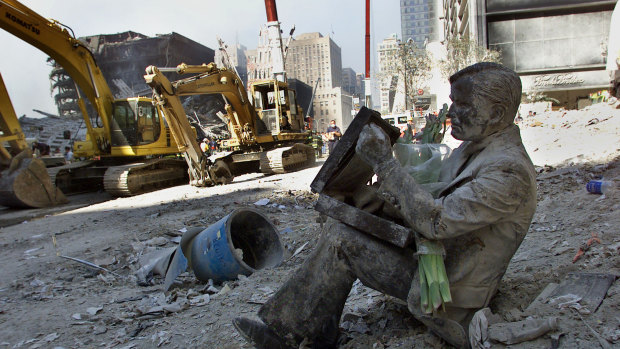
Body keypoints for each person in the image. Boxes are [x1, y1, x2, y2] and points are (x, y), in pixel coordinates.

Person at [233, 62, 537, 348]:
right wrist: (369, 198)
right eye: (453, 102)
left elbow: (436, 221)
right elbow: (432, 196)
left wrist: (385, 164)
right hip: (436, 264)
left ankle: (285, 336)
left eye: (463, 106)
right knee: (341, 226)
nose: (452, 113)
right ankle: (316, 328)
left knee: (342, 241)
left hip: (450, 295)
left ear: (496, 113)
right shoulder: (474, 149)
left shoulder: (508, 171)